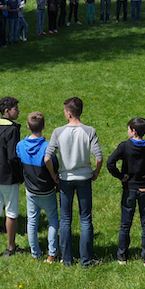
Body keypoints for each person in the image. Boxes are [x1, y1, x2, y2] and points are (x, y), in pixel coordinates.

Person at [44, 97, 103, 267]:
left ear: (69, 114)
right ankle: (86, 259)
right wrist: (95, 173)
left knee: (65, 219)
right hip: (84, 179)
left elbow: (47, 158)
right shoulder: (89, 131)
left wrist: (54, 175)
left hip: (65, 180)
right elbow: (99, 158)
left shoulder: (58, 132)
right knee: (85, 219)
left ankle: (67, 259)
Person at [106, 117, 145, 266]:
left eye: (128, 129)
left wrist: (121, 176)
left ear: (133, 131)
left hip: (129, 190)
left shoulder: (124, 146)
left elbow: (110, 163)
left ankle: (122, 256)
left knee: (125, 224)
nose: (127, 131)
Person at [18, 111, 59, 261]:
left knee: (32, 221)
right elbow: (55, 166)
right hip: (47, 190)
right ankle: (52, 253)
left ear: (28, 127)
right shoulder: (48, 147)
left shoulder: (20, 146)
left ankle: (35, 253)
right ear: (44, 126)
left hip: (31, 190)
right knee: (53, 219)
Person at [0, 96, 23, 258]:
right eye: (16, 108)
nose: (18, 111)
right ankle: (10, 246)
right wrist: (19, 175)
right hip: (8, 176)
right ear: (7, 111)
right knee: (12, 212)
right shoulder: (12, 129)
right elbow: (13, 157)